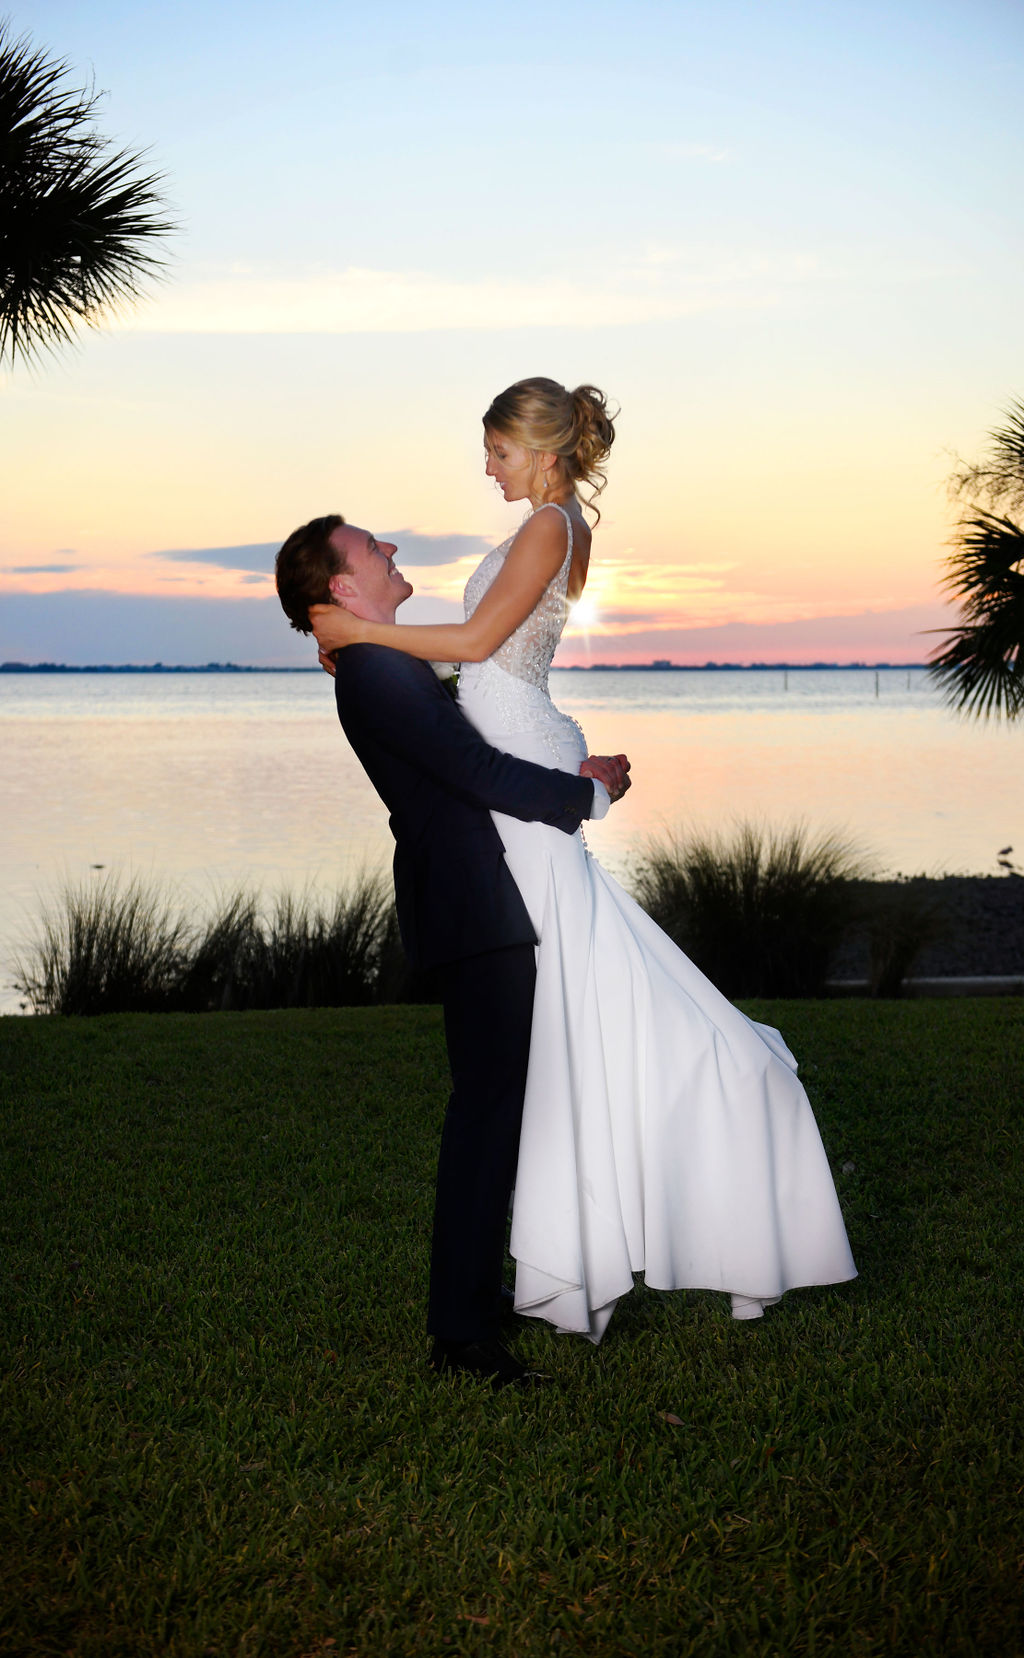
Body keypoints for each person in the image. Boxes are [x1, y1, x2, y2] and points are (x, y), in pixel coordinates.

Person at [310, 377, 858, 1343]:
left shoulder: (550, 529)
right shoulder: (549, 528)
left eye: (497, 451)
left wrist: (363, 631)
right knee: (564, 1042)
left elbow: (482, 642)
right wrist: (396, 662)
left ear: (543, 448)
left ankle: (589, 1263)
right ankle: (562, 1271)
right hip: (521, 790)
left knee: (605, 1026)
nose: (487, 468)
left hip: (526, 799)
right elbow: (482, 671)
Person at [275, 513, 630, 1386]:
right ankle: (462, 1337)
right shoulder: (372, 671)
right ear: (341, 588)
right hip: (470, 904)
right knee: (485, 1115)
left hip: (476, 897)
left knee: (498, 1108)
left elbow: (470, 736)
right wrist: (589, 797)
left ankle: (479, 1301)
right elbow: (476, 775)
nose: (391, 550)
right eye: (371, 549)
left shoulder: (384, 659)